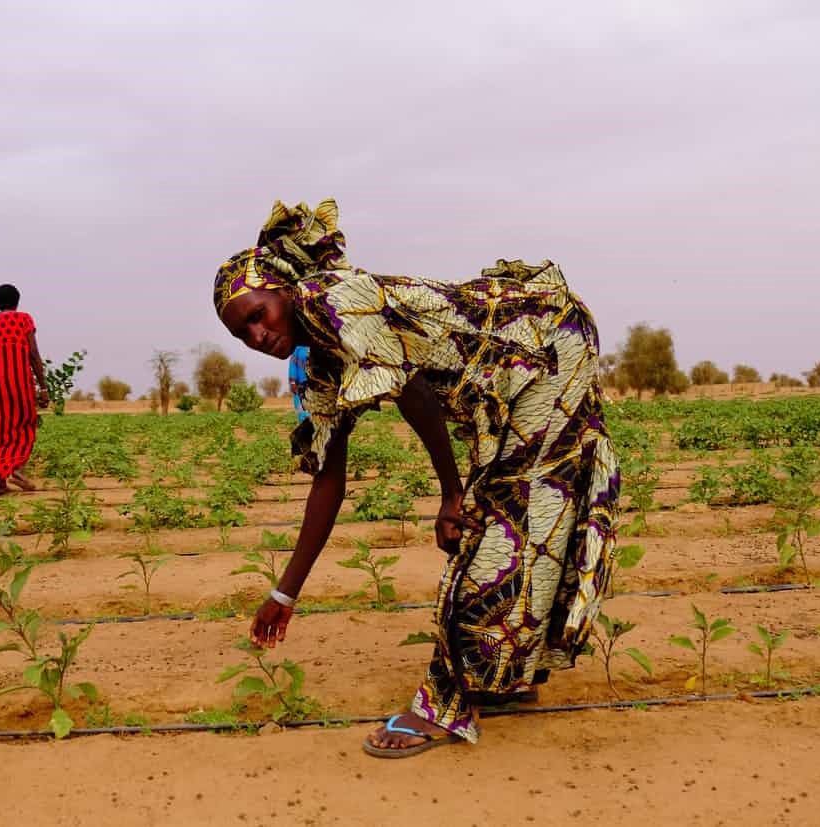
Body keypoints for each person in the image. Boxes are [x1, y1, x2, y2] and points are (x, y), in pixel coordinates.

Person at [214, 200, 620, 758]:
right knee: (522, 517)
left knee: (497, 516)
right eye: (242, 335)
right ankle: (502, 674)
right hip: (522, 368)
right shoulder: (312, 363)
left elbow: (416, 393)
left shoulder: (332, 298)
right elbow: (329, 480)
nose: (257, 335)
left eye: (258, 315)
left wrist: (453, 494)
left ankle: (448, 703)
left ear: (281, 290)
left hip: (545, 343)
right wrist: (286, 590)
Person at [0, 284, 49, 495]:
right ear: (17, 302)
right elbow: (33, 353)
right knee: (21, 428)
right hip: (17, 385)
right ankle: (18, 470)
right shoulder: (23, 320)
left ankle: (0, 484)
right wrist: (43, 386)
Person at [288, 345, 311, 422]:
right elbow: (293, 364)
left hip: (315, 386)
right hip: (300, 385)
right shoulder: (297, 348)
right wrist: (292, 382)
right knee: (301, 411)